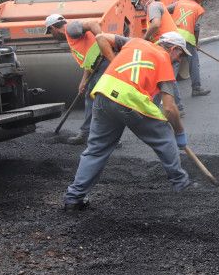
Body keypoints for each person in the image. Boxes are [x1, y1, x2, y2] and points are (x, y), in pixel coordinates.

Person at [62, 31, 193, 210]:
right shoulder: (164, 61)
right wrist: (179, 133)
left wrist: (113, 59)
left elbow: (100, 37)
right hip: (130, 100)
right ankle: (181, 183)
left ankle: (74, 197)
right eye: (181, 54)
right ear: (173, 48)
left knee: (96, 150)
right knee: (164, 137)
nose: (179, 59)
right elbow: (170, 108)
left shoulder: (134, 42)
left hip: (103, 93)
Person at [45, 13, 107, 145]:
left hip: (103, 64)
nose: (52, 35)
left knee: (102, 102)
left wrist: (103, 43)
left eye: (50, 32)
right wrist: (83, 81)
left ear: (53, 28)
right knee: (90, 98)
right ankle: (86, 133)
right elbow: (89, 59)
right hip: (96, 67)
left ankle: (106, 137)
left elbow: (93, 24)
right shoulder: (71, 34)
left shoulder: (71, 28)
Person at [136, 0, 184, 111]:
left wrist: (145, 38)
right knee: (164, 77)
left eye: (140, 4)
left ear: (142, 0)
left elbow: (156, 24)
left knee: (164, 77)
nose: (141, 7)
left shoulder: (153, 6)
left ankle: (158, 108)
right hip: (172, 45)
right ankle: (159, 107)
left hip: (168, 46)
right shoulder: (159, 5)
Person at [167, 0, 210, 97]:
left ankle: (167, 91)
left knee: (175, 63)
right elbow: (196, 28)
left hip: (174, 36)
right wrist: (195, 43)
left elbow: (165, 10)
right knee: (193, 62)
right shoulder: (199, 8)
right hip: (187, 38)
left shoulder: (179, 3)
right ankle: (196, 88)